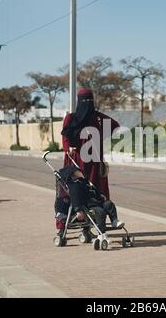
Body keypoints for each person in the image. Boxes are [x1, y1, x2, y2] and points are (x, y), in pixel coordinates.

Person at [55, 89, 121, 231]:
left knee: (95, 193)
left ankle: (90, 225)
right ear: (79, 102)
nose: (88, 104)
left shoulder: (97, 118)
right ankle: (63, 225)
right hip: (75, 163)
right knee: (72, 192)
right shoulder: (71, 118)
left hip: (94, 166)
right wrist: (68, 148)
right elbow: (65, 137)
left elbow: (115, 125)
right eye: (85, 101)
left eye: (90, 101)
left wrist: (98, 121)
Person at [59, 166, 124, 235]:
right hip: (88, 206)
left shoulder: (85, 182)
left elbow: (93, 190)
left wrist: (100, 195)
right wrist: (79, 210)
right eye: (78, 172)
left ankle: (114, 220)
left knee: (109, 204)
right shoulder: (74, 186)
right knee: (100, 212)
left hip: (97, 202)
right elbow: (76, 199)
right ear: (72, 176)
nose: (81, 173)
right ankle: (102, 231)